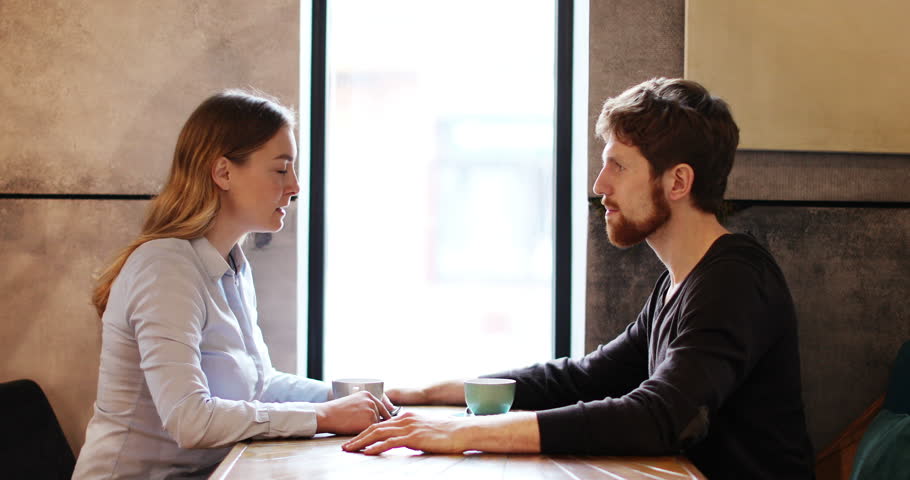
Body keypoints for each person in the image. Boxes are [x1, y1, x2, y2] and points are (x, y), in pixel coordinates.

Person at [342, 78, 815, 479]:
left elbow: (662, 416)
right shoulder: (681, 281)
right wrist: (434, 393)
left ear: (677, 183)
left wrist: (464, 433)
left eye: (618, 165)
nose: (599, 185)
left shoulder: (734, 280)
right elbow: (585, 378)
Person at [73, 90, 395, 479]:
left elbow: (260, 386)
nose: (295, 187)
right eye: (281, 169)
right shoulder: (165, 267)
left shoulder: (232, 266)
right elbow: (190, 420)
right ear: (223, 172)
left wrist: (355, 398)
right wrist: (322, 415)